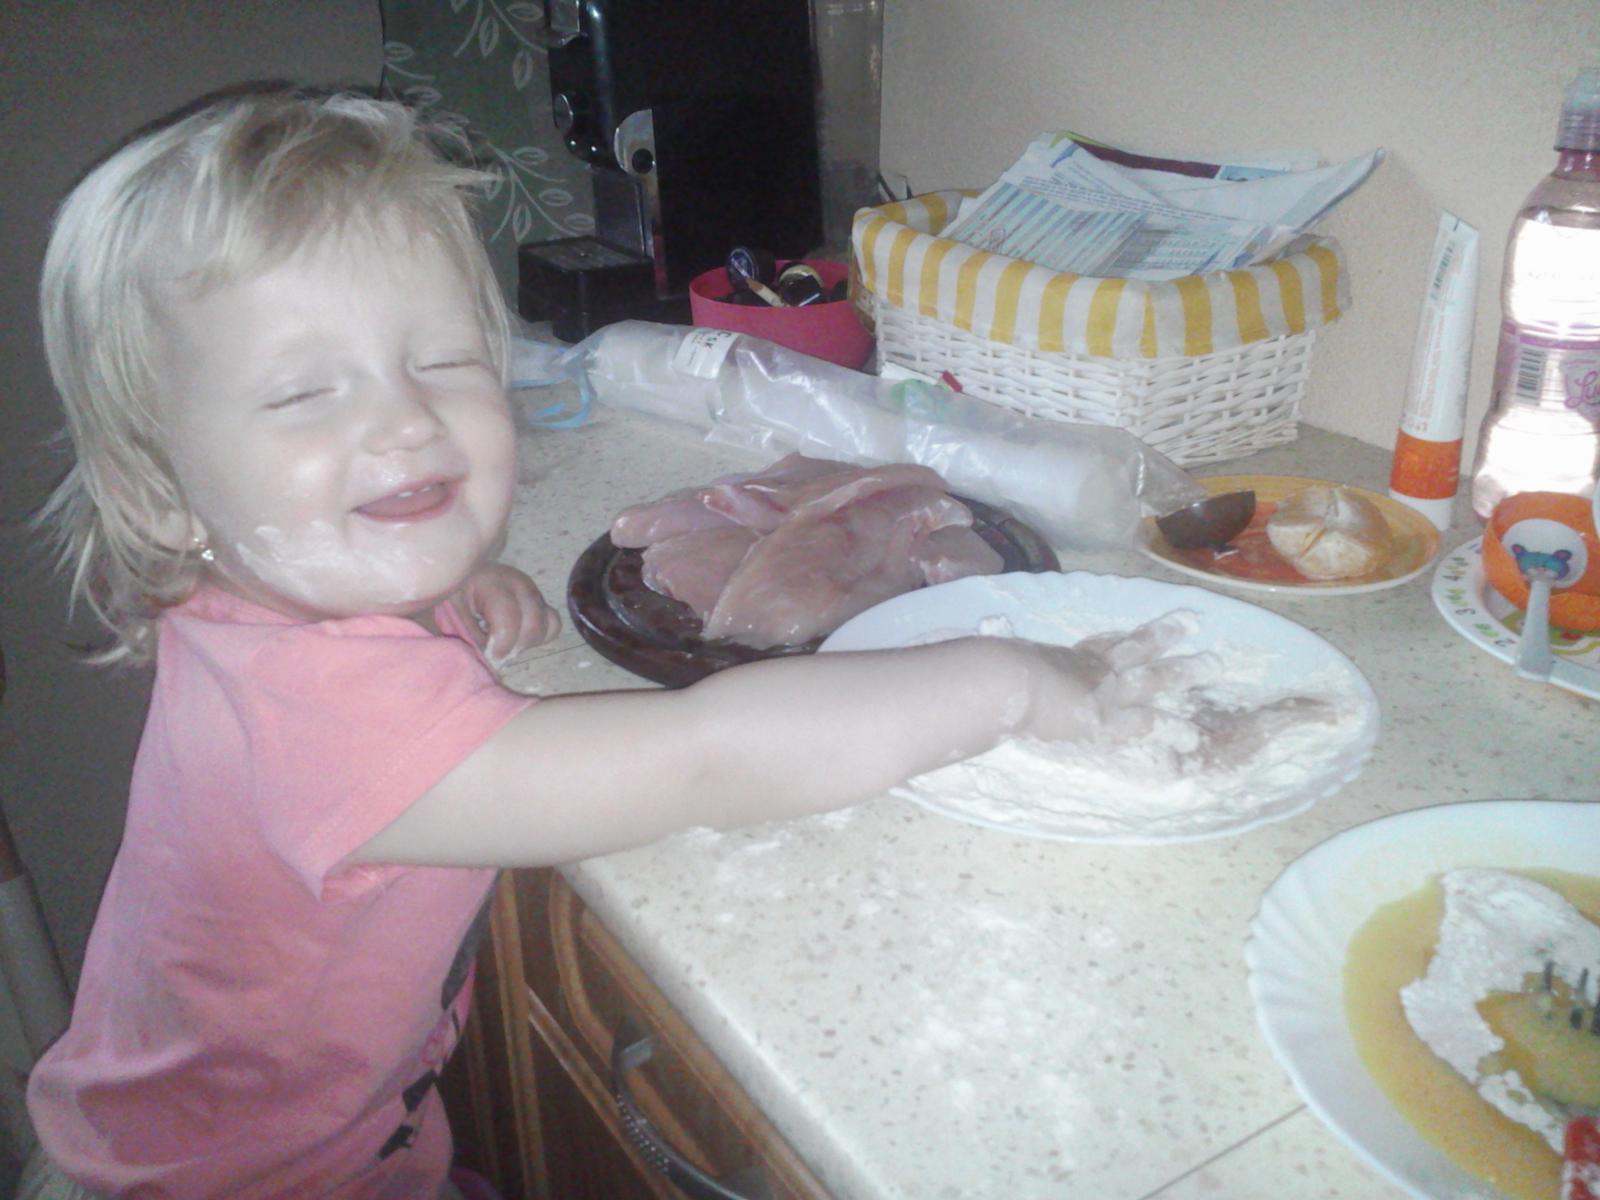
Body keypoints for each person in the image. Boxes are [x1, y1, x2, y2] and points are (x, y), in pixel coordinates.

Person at [22, 88, 1223, 1200]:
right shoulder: (326, 730)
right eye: (301, 393)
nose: (407, 418)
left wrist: (432, 578)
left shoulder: (264, 600)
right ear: (160, 496)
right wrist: (1005, 681)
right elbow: (706, 760)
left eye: (443, 358)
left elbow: (313, 581)